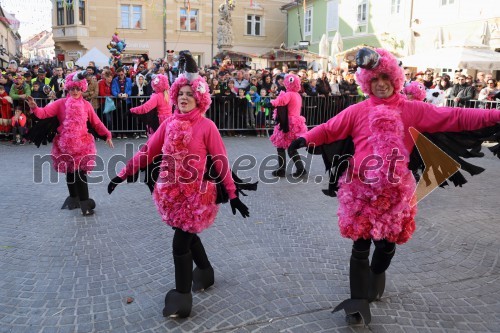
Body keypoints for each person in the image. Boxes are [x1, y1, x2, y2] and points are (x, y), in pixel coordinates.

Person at [288, 47, 500, 326]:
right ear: (367, 82)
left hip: (394, 193)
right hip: (359, 190)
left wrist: (495, 116)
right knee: (360, 246)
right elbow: (330, 129)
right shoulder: (357, 111)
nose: (380, 83)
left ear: (395, 78)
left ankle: (377, 274)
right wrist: (305, 138)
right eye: (374, 79)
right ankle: (357, 302)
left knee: (386, 247)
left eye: (385, 77)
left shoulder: (412, 110)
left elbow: (455, 117)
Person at [107, 51, 251, 318]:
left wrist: (233, 195)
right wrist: (122, 174)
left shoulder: (207, 126)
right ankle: (205, 272)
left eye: (190, 94)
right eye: (181, 94)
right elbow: (148, 151)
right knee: (187, 234)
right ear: (174, 96)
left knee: (179, 244)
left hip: (197, 196)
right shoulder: (169, 123)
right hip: (172, 193)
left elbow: (220, 161)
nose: (184, 98)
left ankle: (182, 298)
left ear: (199, 99)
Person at [26, 71, 114, 216]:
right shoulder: (60, 103)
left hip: (82, 144)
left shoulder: (86, 105)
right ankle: (73, 198)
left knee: (79, 173)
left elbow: (96, 122)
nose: (74, 91)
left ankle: (85, 203)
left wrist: (107, 135)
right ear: (68, 89)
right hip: (64, 144)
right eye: (72, 88)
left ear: (82, 89)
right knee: (69, 172)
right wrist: (34, 107)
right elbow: (44, 113)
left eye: (77, 89)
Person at [267, 74, 308, 178]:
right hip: (296, 123)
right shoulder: (298, 95)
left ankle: (282, 170)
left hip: (288, 123)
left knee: (281, 147)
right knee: (291, 148)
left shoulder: (289, 94)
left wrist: (271, 103)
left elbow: (281, 101)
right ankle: (300, 169)